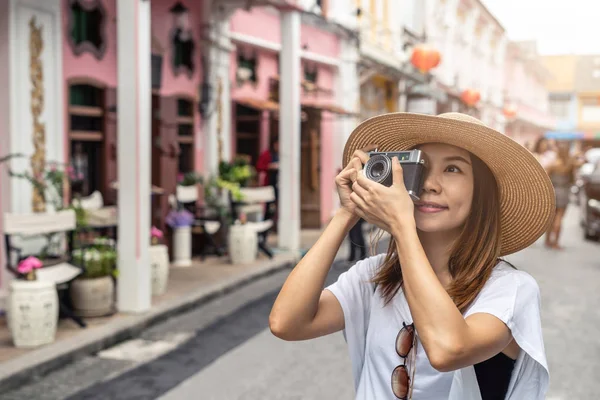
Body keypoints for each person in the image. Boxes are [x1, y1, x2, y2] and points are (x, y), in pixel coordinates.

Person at [269, 113, 553, 399]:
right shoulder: (375, 276)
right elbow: (287, 323)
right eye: (421, 166)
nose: (430, 183)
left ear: (482, 193)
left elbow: (448, 349)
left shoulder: (509, 288)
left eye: (453, 169)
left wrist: (402, 227)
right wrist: (346, 213)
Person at [545, 141, 582, 249]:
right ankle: (555, 242)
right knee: (559, 218)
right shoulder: (570, 165)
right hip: (564, 192)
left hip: (553, 191)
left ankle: (547, 240)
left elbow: (546, 179)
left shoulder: (553, 165)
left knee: (551, 217)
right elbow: (573, 180)